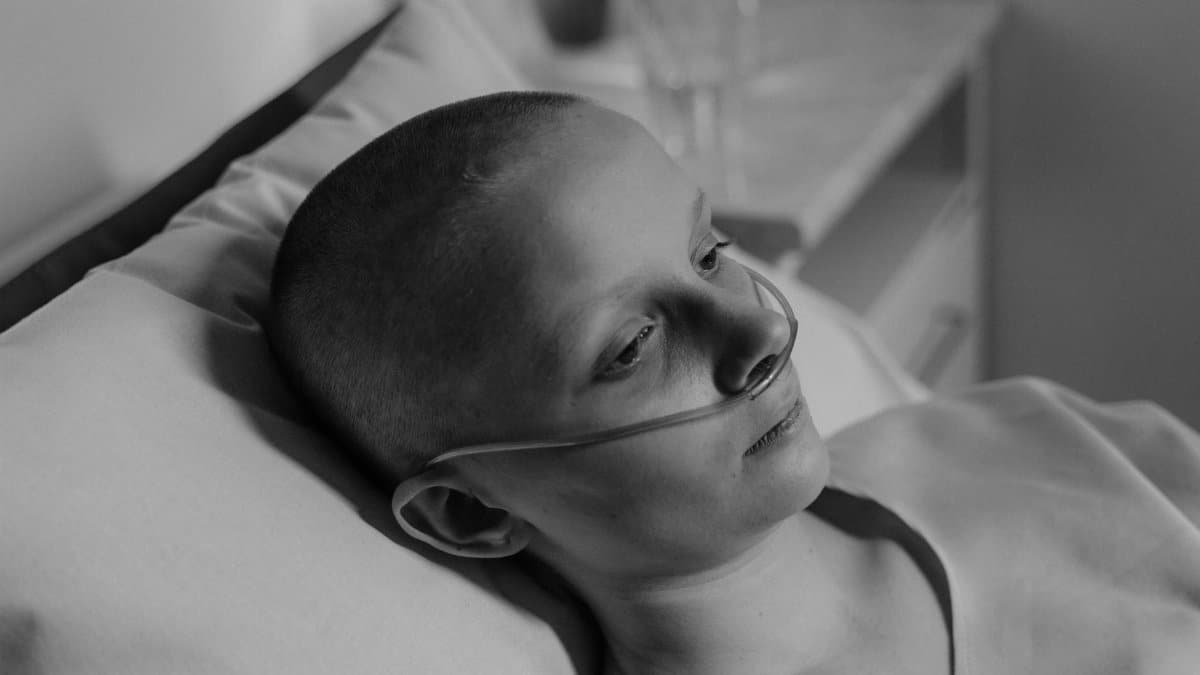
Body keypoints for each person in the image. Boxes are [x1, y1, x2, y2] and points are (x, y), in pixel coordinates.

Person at [267, 91, 1200, 674]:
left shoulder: (1035, 438)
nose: (760, 328)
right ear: (472, 514)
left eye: (710, 252)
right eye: (631, 347)